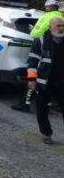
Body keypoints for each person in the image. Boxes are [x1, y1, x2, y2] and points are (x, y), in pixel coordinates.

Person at [12, 0, 63, 112]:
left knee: (34, 75)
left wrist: (33, 30)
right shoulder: (61, 17)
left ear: (47, 7)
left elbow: (35, 33)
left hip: (43, 49)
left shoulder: (46, 16)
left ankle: (26, 103)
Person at [27, 16, 64, 144]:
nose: (61, 28)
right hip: (44, 83)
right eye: (58, 25)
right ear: (50, 27)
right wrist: (31, 79)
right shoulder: (41, 41)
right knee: (42, 110)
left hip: (61, 83)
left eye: (62, 25)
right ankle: (46, 133)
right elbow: (32, 61)